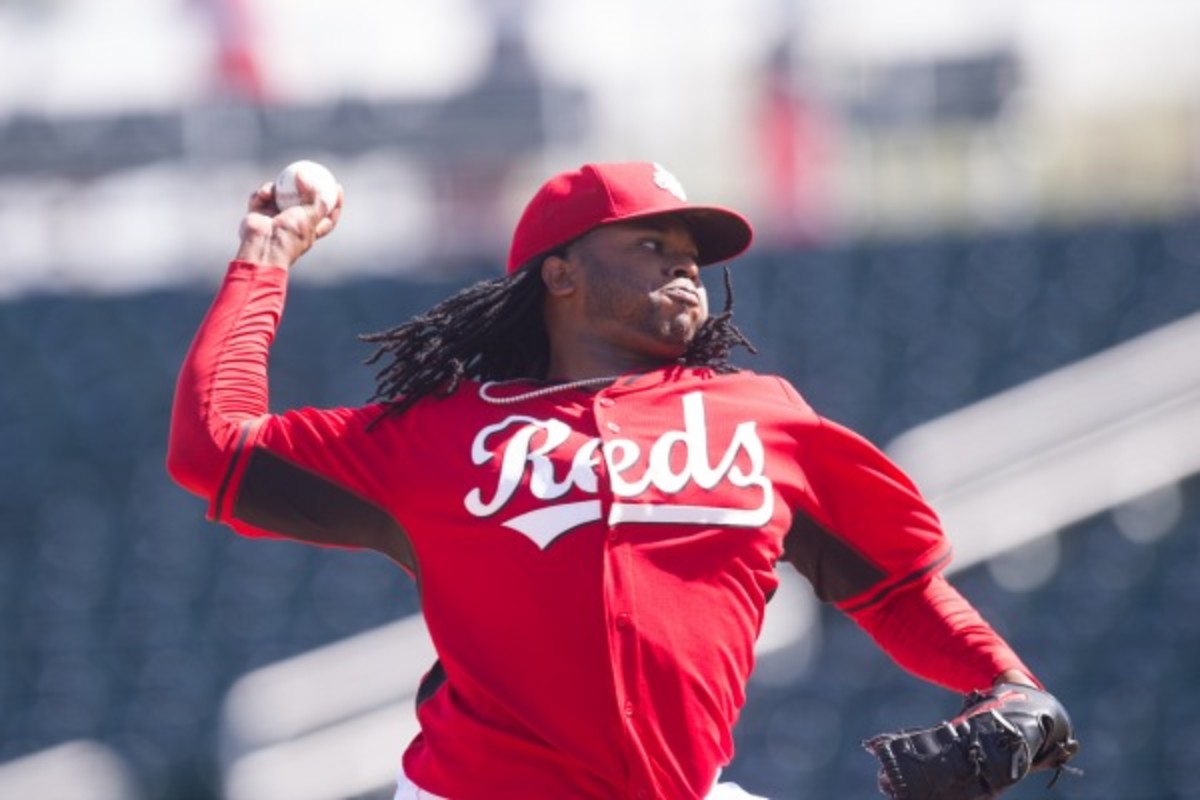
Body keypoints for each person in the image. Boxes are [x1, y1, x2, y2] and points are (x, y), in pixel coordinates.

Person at [168, 161, 1075, 799]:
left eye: (690, 247)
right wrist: (266, 257)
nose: (684, 260)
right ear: (558, 273)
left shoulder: (764, 418)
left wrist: (1012, 684)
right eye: (649, 242)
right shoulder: (441, 433)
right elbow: (214, 446)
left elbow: (898, 588)